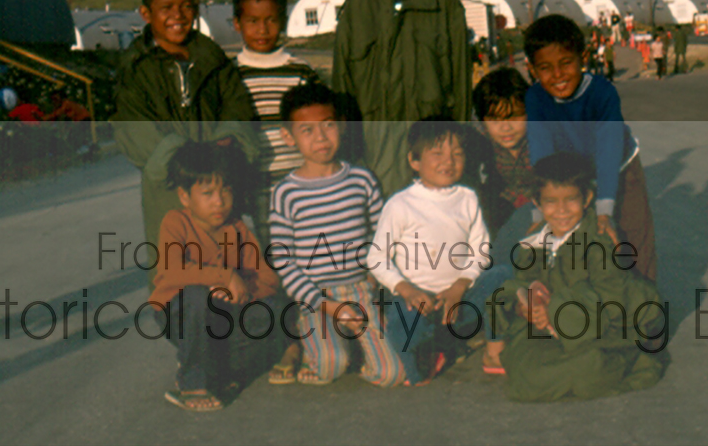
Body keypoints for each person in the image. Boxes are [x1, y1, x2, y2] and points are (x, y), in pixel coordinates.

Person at [111, 0, 257, 281]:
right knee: (178, 270)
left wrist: (229, 137)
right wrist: (180, 155)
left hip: (217, 178)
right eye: (166, 8)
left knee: (229, 266)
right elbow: (132, 125)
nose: (178, 15)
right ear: (146, 13)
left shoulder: (211, 56)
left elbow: (236, 103)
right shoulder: (135, 68)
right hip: (169, 183)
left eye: (186, 6)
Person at [486, 152, 666, 402]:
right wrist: (523, 305)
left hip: (604, 328)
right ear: (537, 203)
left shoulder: (600, 239)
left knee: (586, 374)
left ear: (587, 198)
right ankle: (576, 367)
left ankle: (630, 359)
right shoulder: (536, 238)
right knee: (525, 371)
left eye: (571, 200)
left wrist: (554, 308)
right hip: (558, 332)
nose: (561, 210)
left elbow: (612, 302)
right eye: (550, 201)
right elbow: (521, 281)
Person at [332, 0, 471, 198]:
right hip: (373, 156)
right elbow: (342, 88)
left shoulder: (444, 3)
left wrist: (456, 148)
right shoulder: (357, 9)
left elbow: (461, 87)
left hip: (434, 153)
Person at [267, 83, 404, 387]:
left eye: (328, 126)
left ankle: (360, 349)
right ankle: (316, 351)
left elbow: (381, 234)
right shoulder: (286, 193)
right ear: (288, 137)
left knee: (392, 374)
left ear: (341, 126)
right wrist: (325, 304)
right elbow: (283, 260)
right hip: (315, 297)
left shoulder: (362, 179)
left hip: (359, 292)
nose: (320, 137)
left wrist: (373, 277)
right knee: (332, 366)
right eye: (307, 130)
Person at [365, 118, 510, 385]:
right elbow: (376, 257)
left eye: (457, 153)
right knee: (413, 363)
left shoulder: (467, 198)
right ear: (414, 161)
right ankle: (435, 347)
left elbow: (481, 250)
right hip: (416, 300)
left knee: (503, 275)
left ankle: (493, 349)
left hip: (459, 297)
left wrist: (460, 285)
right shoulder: (401, 204)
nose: (449, 161)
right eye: (437, 153)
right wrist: (406, 289)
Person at [150, 141, 285, 412]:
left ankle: (223, 370)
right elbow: (171, 271)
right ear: (185, 196)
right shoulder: (175, 222)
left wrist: (243, 288)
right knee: (199, 297)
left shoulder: (236, 227)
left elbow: (267, 277)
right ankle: (191, 382)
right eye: (207, 192)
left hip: (224, 312)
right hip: (179, 311)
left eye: (226, 190)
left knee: (272, 311)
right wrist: (223, 277)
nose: (219, 201)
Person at [523, 14, 657, 282]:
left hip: (619, 168)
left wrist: (605, 210)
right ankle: (599, 313)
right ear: (532, 69)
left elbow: (609, 150)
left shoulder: (602, 92)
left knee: (630, 242)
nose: (558, 75)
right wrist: (540, 211)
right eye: (546, 68)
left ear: (583, 58)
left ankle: (647, 315)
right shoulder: (535, 98)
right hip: (575, 176)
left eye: (566, 63)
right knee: (580, 245)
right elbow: (541, 153)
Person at [232, 0, 319, 243]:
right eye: (253, 21)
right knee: (273, 252)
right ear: (237, 23)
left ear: (283, 20)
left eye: (271, 20)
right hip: (259, 182)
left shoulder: (300, 71)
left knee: (311, 244)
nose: (262, 29)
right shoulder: (231, 75)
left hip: (302, 176)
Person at [466, 68, 536, 261]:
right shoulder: (478, 152)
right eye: (495, 119)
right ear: (482, 121)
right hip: (497, 233)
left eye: (514, 117)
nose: (506, 127)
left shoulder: (543, 144)